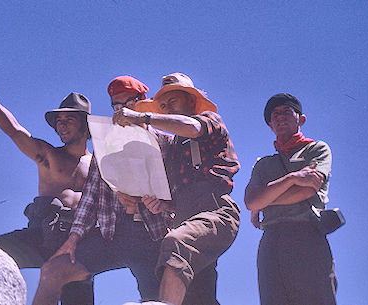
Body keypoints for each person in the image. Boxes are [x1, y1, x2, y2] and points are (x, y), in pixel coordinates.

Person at [32, 75, 170, 305]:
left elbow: (175, 194)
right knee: (52, 271)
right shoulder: (105, 143)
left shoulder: (165, 143)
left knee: (155, 301)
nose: (122, 110)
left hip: (152, 237)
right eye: (116, 105)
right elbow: (90, 197)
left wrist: (159, 204)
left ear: (144, 101)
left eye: (129, 102)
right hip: (112, 234)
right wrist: (72, 240)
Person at [0, 71, 94, 305]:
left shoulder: (100, 166)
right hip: (43, 235)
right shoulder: (48, 156)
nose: (61, 124)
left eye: (69, 119)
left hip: (79, 246)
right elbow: (15, 131)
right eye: (59, 120)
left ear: (85, 125)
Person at [114, 72, 241, 305]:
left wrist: (141, 117)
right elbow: (175, 196)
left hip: (216, 212)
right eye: (163, 105)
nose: (167, 108)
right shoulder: (173, 148)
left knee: (175, 243)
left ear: (190, 101)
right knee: (199, 296)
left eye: (172, 101)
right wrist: (162, 204)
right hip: (184, 217)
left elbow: (192, 127)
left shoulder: (209, 120)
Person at [244, 93, 337, 305]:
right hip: (271, 240)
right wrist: (293, 178)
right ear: (270, 124)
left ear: (300, 119)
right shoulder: (263, 164)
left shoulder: (316, 149)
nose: (280, 117)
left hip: (307, 235)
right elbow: (250, 202)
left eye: (287, 111)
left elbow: (307, 191)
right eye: (275, 114)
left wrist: (265, 200)